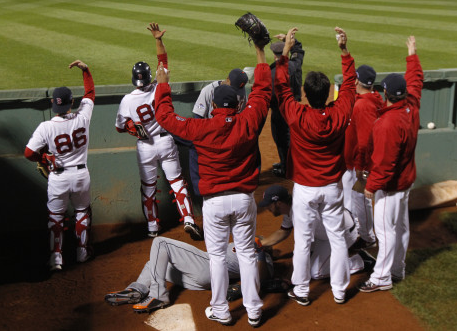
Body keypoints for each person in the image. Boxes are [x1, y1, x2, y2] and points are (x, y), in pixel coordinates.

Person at [153, 28, 278, 327]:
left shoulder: (201, 128)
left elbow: (165, 118)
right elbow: (262, 90)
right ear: (236, 104)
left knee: (218, 257)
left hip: (215, 205)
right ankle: (254, 310)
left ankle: (221, 310)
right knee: (247, 254)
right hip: (244, 200)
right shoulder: (248, 119)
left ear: (213, 106)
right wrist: (260, 53)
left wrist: (163, 86)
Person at [273, 27, 356, 305]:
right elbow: (350, 86)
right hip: (332, 189)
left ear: (306, 94)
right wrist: (344, 51)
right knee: (338, 239)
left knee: (303, 242)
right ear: (328, 93)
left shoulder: (297, 114)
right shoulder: (340, 112)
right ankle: (340, 290)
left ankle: (302, 290)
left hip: (306, 191)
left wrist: (285, 53)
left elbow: (282, 87)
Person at [115, 23, 202, 241]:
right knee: (177, 182)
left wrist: (133, 130)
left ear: (134, 79)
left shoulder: (127, 101)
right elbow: (163, 62)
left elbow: (119, 126)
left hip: (145, 147)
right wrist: (158, 39)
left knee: (148, 188)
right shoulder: (159, 88)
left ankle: (152, 227)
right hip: (166, 142)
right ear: (149, 75)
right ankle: (189, 219)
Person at [359, 36, 423, 293]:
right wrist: (412, 56)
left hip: (391, 186)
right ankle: (398, 269)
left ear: (385, 93)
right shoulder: (412, 107)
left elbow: (385, 163)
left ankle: (381, 277)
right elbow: (416, 82)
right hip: (406, 181)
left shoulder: (387, 124)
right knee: (402, 228)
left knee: (386, 232)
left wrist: (371, 187)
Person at [24, 60, 95, 271]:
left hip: (58, 177)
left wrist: (43, 158)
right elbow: (90, 94)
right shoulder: (83, 117)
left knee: (56, 217)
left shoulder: (46, 127)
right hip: (81, 174)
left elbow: (28, 153)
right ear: (71, 102)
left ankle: (56, 258)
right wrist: (86, 70)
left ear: (54, 105)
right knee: (82, 211)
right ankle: (82, 252)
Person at [104, 236, 273, 313]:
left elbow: (263, 276)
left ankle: (158, 296)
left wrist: (260, 251)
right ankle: (137, 289)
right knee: (155, 263)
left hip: (207, 267)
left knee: (160, 242)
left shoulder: (263, 257)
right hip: (202, 278)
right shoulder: (237, 241)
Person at [258, 185, 376, 283]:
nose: (267, 208)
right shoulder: (291, 207)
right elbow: (283, 232)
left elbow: (303, 247)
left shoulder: (301, 213)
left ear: (278, 203)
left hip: (343, 232)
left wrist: (289, 278)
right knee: (306, 261)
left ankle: (361, 260)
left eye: (268, 205)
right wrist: (259, 243)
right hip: (325, 233)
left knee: (316, 272)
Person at [188, 68, 248, 196]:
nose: (237, 91)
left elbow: (241, 117)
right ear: (227, 80)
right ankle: (200, 191)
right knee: (194, 148)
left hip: (230, 136)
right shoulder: (208, 91)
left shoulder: (241, 93)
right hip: (210, 137)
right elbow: (198, 119)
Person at [342, 64, 382, 249]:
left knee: (360, 199)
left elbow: (365, 141)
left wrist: (361, 166)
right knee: (352, 198)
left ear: (357, 80)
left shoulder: (364, 105)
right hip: (354, 162)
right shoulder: (365, 100)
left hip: (360, 163)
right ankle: (358, 231)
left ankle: (368, 237)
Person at [268, 34, 304, 177]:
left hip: (280, 110)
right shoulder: (295, 64)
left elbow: (270, 95)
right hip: (294, 107)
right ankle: (288, 163)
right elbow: (299, 52)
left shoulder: (272, 72)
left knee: (281, 139)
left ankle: (286, 167)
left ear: (273, 54)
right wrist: (291, 42)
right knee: (292, 136)